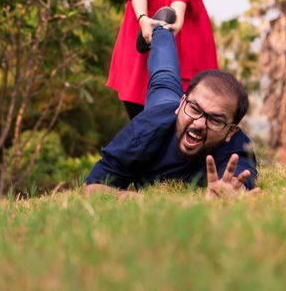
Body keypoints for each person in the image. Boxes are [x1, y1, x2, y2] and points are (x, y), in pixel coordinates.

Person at [86, 20, 257, 197]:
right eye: (195, 109)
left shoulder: (238, 147)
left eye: (214, 119)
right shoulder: (145, 130)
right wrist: (127, 198)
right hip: (163, 106)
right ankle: (161, 29)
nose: (199, 124)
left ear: (231, 131)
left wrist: (230, 195)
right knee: (164, 74)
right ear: (182, 103)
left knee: (165, 76)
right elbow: (92, 187)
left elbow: (238, 181)